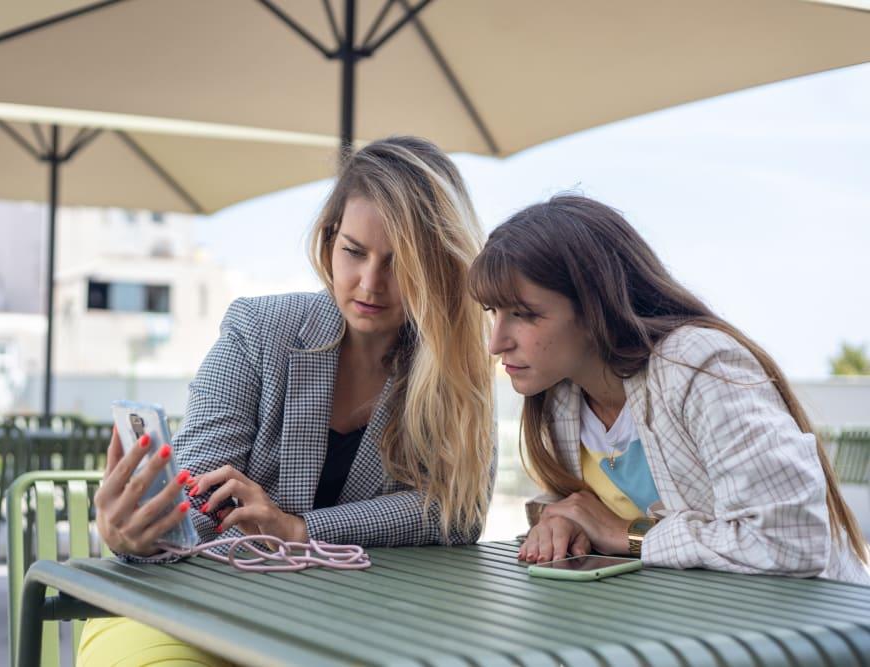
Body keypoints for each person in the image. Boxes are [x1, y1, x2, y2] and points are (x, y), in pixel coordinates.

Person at [77, 136, 497, 665]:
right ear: (328, 243)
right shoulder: (259, 331)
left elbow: (456, 513)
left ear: (438, 264)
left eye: (399, 261)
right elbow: (192, 505)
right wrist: (130, 533)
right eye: (354, 252)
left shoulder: (452, 367)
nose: (370, 283)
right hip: (186, 610)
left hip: (357, 625)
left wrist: (299, 531)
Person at [468, 193, 869, 583]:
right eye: (493, 312)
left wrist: (631, 535)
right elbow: (589, 508)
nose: (496, 342)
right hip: (697, 627)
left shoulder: (697, 364)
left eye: (523, 314)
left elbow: (790, 539)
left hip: (817, 630)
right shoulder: (561, 395)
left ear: (596, 307)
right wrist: (559, 522)